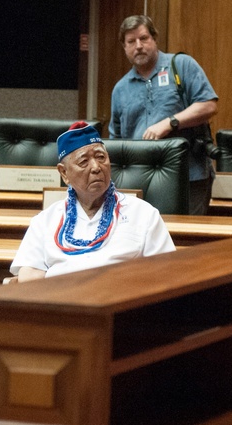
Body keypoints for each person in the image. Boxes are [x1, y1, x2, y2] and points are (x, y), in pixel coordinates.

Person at [12, 121, 175, 281]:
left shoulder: (144, 214)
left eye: (101, 157)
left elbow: (166, 271)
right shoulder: (44, 221)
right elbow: (29, 277)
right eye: (84, 162)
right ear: (64, 173)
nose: (96, 167)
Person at [108, 15, 219, 215]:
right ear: (124, 48)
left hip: (189, 177)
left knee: (187, 242)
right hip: (139, 182)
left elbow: (208, 105)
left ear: (155, 39)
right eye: (131, 42)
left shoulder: (181, 65)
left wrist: (170, 122)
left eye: (144, 38)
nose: (138, 46)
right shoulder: (120, 89)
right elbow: (115, 141)